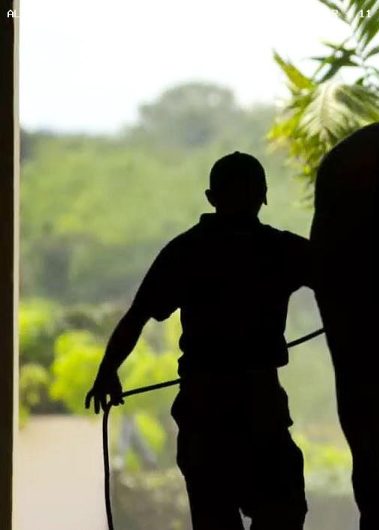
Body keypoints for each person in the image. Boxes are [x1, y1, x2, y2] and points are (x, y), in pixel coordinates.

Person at [85, 151, 313, 530]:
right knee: (283, 511)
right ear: (264, 195)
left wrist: (107, 372)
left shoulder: (186, 251)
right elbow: (348, 281)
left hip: (205, 413)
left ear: (211, 197)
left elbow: (137, 316)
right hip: (260, 408)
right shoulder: (281, 250)